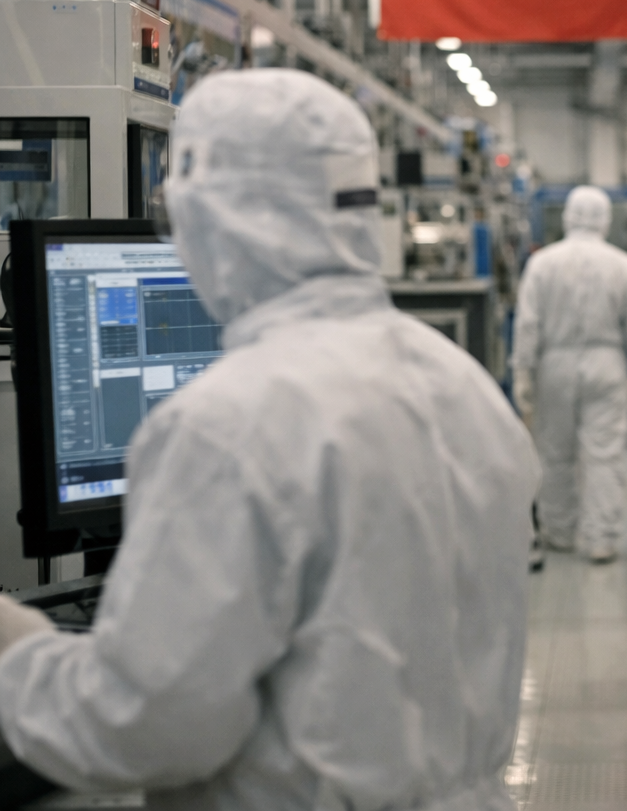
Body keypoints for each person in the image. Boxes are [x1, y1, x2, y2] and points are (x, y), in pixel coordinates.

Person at [0, 69, 539, 809]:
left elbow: (150, 727)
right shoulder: (463, 385)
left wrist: (21, 650)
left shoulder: (229, 422)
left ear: (221, 219)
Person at [513, 186, 627, 563]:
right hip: (607, 365)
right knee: (603, 454)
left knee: (554, 452)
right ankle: (600, 539)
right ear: (605, 219)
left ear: (567, 217)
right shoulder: (624, 265)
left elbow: (527, 323)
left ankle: (559, 532)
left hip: (553, 366)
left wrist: (523, 372)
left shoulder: (542, 263)